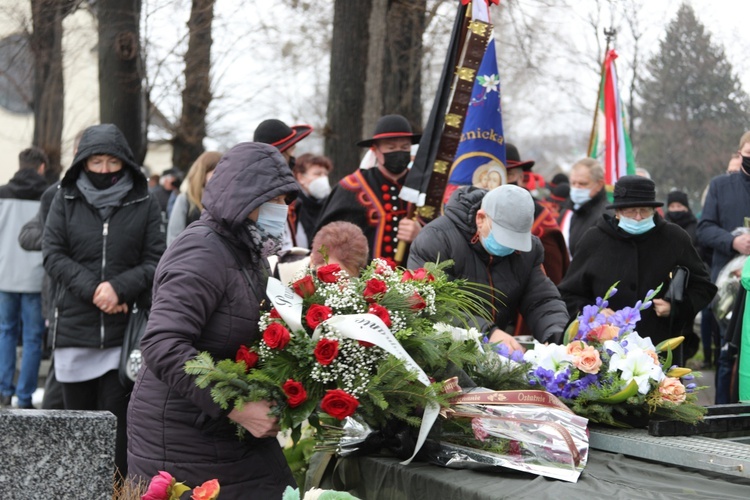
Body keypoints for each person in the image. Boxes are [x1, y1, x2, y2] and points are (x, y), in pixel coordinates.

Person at [127, 142, 299, 498]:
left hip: (215, 430)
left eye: (285, 201)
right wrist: (236, 407)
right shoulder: (202, 250)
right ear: (245, 200)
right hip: (179, 437)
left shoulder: (246, 251)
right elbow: (162, 345)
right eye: (275, 200)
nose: (282, 211)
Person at [43, 124, 165, 477]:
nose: (104, 170)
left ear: (125, 162)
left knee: (118, 436)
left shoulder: (144, 201)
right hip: (74, 330)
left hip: (122, 337)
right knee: (75, 432)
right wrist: (97, 290)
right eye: (96, 162)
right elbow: (53, 254)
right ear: (83, 163)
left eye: (112, 162)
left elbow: (156, 258)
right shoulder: (63, 198)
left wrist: (120, 288)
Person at [558, 175, 716, 353]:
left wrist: (677, 307)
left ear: (654, 210)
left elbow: (704, 286)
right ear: (617, 212)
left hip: (659, 349)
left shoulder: (674, 238)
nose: (639, 217)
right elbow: (569, 294)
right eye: (631, 211)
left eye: (645, 210)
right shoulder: (594, 240)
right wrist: (593, 314)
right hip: (604, 353)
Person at [408, 184, 569, 351]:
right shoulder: (437, 239)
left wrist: (556, 335)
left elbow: (541, 300)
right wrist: (487, 332)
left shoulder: (528, 251)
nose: (509, 246)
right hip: (442, 350)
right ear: (481, 218)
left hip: (494, 354)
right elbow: (432, 304)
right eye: (504, 237)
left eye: (516, 240)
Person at [315, 114, 422, 266]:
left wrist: (421, 234)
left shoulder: (423, 186)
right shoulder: (351, 186)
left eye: (405, 147)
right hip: (363, 283)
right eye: (391, 148)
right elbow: (327, 239)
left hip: (415, 280)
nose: (398, 152)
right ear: (375, 150)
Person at [697, 131, 750, 403]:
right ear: (740, 153)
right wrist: (733, 241)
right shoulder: (720, 186)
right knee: (727, 351)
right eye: (748, 156)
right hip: (729, 284)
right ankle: (723, 412)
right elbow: (704, 229)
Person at [0, 147, 49, 409]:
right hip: (35, 276)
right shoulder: (48, 195)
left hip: (4, 274)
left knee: (5, 332)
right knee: (32, 338)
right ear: (41, 167)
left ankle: (3, 391)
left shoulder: (2, 193)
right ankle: (25, 397)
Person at [504, 143, 569, 285]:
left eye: (508, 175)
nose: (501, 181)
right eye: (495, 174)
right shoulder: (475, 213)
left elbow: (553, 279)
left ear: (521, 178)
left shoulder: (540, 219)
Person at [557, 158, 610, 259]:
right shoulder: (567, 212)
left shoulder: (606, 217)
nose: (576, 188)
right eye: (573, 183)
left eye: (582, 184)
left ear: (599, 185)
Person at [166, 151, 222, 246]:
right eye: (215, 172)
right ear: (203, 173)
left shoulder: (225, 201)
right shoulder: (185, 200)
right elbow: (174, 239)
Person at [287, 153, 334, 249]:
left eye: (325, 174)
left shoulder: (329, 205)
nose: (323, 178)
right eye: (317, 174)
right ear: (300, 178)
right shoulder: (292, 205)